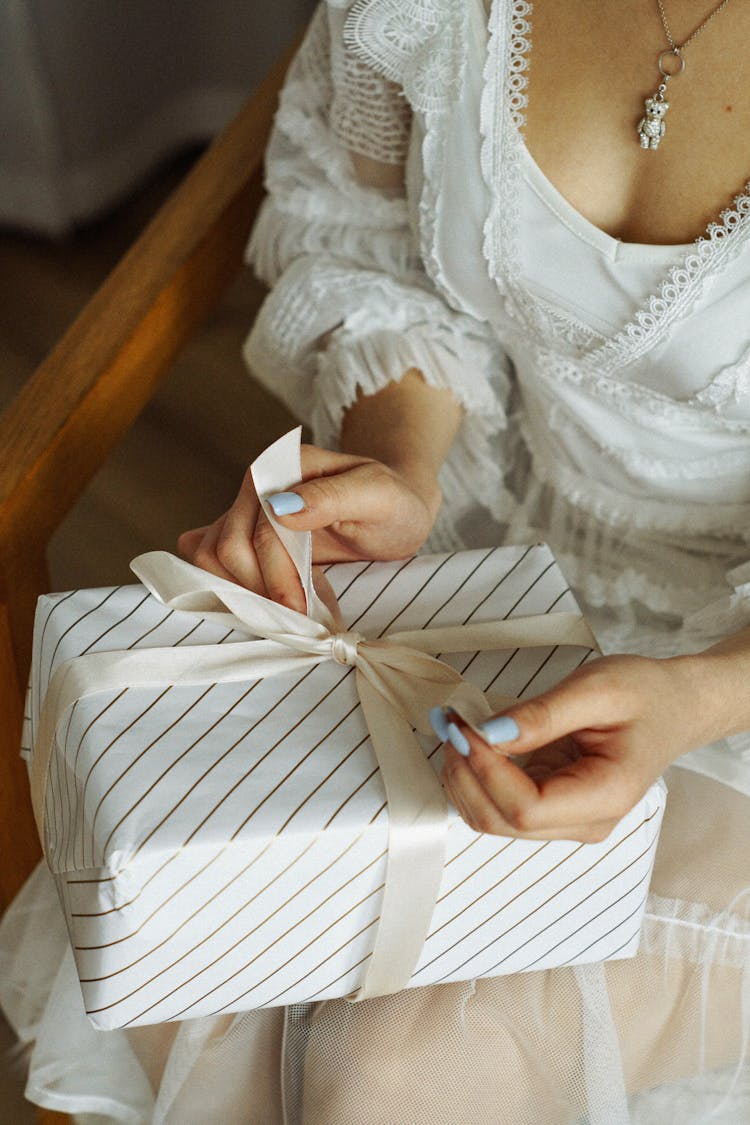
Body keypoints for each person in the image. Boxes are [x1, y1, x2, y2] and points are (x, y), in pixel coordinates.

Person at [2, 1, 750, 1121]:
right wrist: (401, 461)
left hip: (725, 678)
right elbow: (370, 246)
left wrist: (700, 691)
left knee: (383, 1068)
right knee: (228, 922)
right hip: (492, 570)